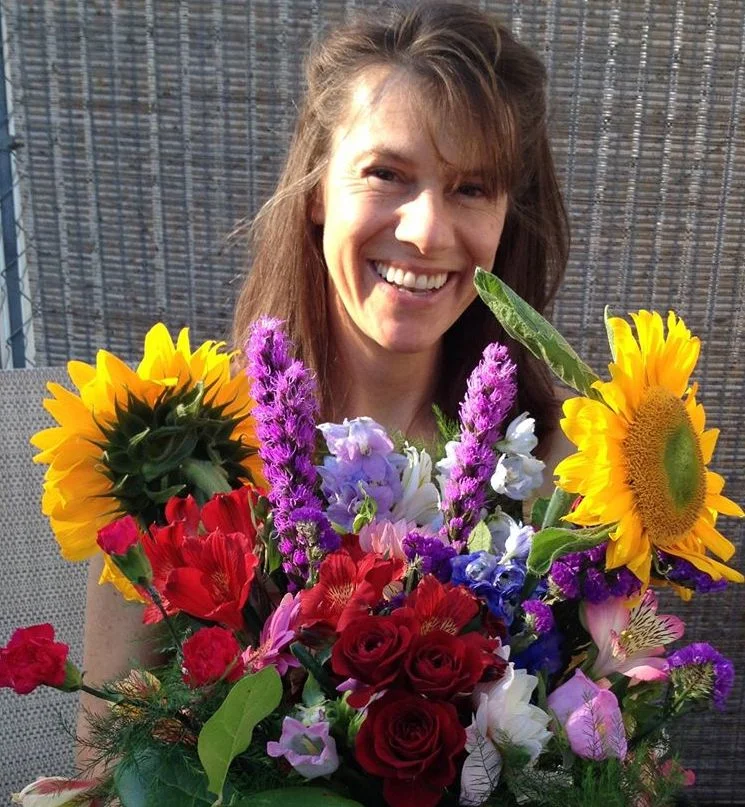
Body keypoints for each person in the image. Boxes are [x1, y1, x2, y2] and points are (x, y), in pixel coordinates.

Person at [78, 0, 572, 769]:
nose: (425, 232)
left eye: (472, 188)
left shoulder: (558, 467)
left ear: (508, 216)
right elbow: (108, 768)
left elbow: (605, 757)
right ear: (317, 190)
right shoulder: (185, 454)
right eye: (387, 174)